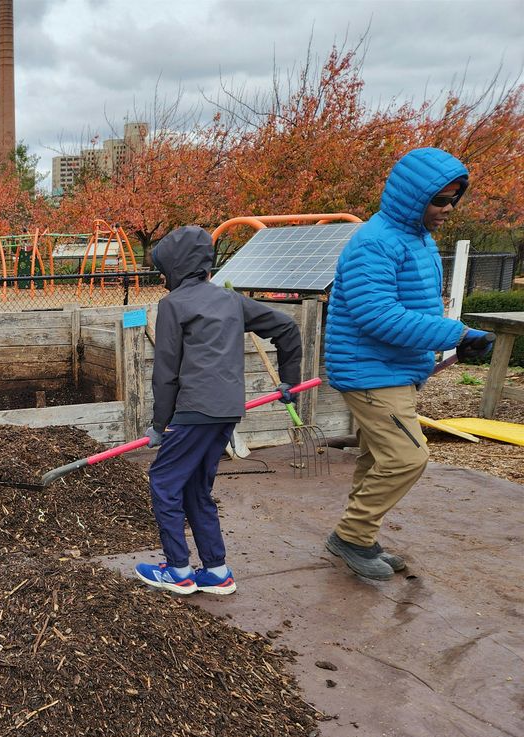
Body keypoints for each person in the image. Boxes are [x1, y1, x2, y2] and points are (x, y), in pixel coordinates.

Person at [323, 148, 494, 580]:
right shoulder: (375, 243)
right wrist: (455, 334)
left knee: (377, 458)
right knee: (407, 458)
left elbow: (416, 306)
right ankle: (351, 537)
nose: (446, 210)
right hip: (370, 372)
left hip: (394, 369)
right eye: (439, 200)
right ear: (411, 196)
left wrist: (448, 340)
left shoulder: (416, 238)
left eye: (453, 200)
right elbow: (376, 314)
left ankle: (360, 535)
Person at [134, 225, 302, 596]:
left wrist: (159, 425)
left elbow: (166, 374)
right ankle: (217, 570)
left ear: (175, 268)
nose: (161, 278)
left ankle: (177, 570)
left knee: (163, 482)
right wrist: (288, 380)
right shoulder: (231, 300)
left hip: (193, 411)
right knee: (196, 488)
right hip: (227, 412)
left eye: (163, 269)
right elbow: (287, 328)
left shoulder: (172, 305)